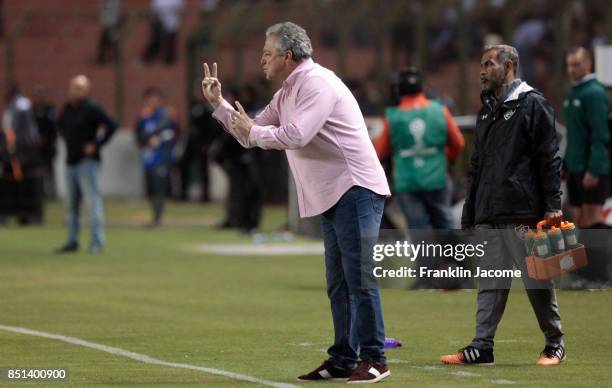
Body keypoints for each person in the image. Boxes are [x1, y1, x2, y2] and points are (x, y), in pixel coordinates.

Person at [201, 22, 391, 384]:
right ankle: (342, 360)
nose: (261, 60)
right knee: (339, 284)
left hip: (355, 187)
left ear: (288, 56)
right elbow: (250, 134)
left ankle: (376, 359)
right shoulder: (290, 89)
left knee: (358, 279)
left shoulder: (316, 83)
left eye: (267, 53)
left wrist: (254, 133)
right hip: (336, 191)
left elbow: (296, 135)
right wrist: (220, 105)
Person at [439, 45, 565, 366]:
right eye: (481, 64)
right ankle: (482, 347)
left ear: (508, 66)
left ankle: (554, 344)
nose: (481, 71)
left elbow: (549, 160)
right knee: (490, 283)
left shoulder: (534, 105)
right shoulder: (485, 110)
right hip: (489, 213)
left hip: (525, 212)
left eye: (488, 64)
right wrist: (471, 212)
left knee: (537, 282)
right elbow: (477, 165)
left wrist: (552, 206)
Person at [374, 67, 464, 230]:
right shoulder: (440, 110)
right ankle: (453, 256)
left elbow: (380, 152)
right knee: (446, 227)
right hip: (437, 178)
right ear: (422, 87)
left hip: (408, 182)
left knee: (419, 232)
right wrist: (447, 159)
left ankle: (426, 256)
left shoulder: (392, 117)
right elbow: (458, 143)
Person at [56, 75, 118, 254]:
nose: (76, 91)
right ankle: (72, 240)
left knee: (93, 203)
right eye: (73, 87)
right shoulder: (67, 109)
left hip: (88, 163)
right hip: (70, 161)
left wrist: (96, 145)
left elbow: (112, 125)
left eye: (80, 88)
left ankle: (97, 242)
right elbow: (60, 126)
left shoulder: (92, 108)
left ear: (87, 90)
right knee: (71, 205)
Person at [563, 47, 610, 229]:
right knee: (579, 222)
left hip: (590, 168)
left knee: (592, 222)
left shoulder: (594, 93)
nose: (571, 69)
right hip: (575, 168)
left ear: (588, 64)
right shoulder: (574, 93)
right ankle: (587, 258)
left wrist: (594, 169)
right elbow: (574, 134)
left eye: (576, 64)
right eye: (568, 65)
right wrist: (566, 164)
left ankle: (602, 258)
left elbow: (601, 134)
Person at [135, 87, 178, 227]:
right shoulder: (143, 116)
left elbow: (174, 134)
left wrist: (160, 141)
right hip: (148, 158)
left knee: (160, 188)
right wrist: (146, 141)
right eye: (150, 99)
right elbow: (138, 135)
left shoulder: (166, 116)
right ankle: (154, 216)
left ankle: (158, 218)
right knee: (150, 189)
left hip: (161, 158)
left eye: (155, 98)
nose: (153, 101)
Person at [0, 84, 43, 224]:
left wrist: (11, 144)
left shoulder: (21, 104)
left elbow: (15, 127)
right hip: (18, 146)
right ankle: (14, 211)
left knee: (23, 178)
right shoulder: (13, 106)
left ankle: (26, 212)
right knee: (11, 178)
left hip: (24, 148)